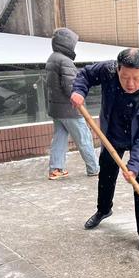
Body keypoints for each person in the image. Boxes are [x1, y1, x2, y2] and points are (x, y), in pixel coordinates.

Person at [70, 49, 139, 252]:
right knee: (107, 175)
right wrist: (78, 91)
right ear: (117, 70)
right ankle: (103, 210)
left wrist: (135, 166)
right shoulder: (108, 70)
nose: (130, 84)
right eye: (125, 77)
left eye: (136, 78)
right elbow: (85, 75)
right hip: (113, 134)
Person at [46, 28, 99, 180]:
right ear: (67, 44)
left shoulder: (52, 58)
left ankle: (56, 168)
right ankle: (93, 167)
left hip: (56, 109)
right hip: (70, 109)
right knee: (84, 137)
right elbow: (71, 86)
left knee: (59, 138)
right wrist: (80, 96)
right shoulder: (65, 61)